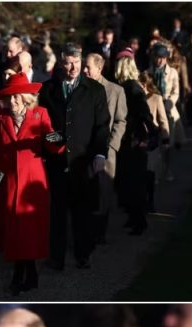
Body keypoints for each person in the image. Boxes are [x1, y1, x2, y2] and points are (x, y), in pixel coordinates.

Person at [0, 72, 63, 295]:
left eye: (18, 97)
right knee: (14, 229)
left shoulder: (40, 114)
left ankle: (23, 275)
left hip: (32, 182)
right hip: (9, 181)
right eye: (11, 97)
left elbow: (52, 143)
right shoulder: (0, 118)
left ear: (26, 97)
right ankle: (26, 273)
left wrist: (57, 140)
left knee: (29, 230)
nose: (14, 101)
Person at [39, 43, 110, 270]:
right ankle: (56, 257)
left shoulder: (95, 90)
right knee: (57, 212)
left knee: (83, 211)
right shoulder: (48, 90)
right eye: (68, 63)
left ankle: (83, 254)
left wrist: (99, 154)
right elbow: (41, 126)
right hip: (56, 161)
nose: (73, 68)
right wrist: (48, 143)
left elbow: (102, 126)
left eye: (77, 63)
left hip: (83, 160)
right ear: (61, 63)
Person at [83, 52, 127, 242]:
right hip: (85, 147)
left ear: (99, 68)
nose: (84, 70)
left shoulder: (116, 91)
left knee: (104, 190)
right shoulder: (81, 88)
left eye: (88, 67)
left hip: (107, 149)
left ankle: (100, 231)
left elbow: (121, 120)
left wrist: (112, 146)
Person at [114, 54, 157, 234]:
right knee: (128, 181)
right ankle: (134, 217)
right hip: (130, 139)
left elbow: (144, 113)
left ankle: (139, 221)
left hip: (133, 140)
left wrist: (152, 133)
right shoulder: (128, 87)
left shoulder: (132, 88)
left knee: (134, 181)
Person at [139, 71, 170, 212]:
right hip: (138, 140)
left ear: (144, 84)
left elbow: (163, 120)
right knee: (140, 173)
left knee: (150, 172)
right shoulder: (135, 98)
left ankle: (150, 201)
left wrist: (165, 139)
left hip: (152, 140)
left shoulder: (156, 99)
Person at [150, 44, 180, 180]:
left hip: (167, 109)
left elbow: (176, 91)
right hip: (154, 110)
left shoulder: (173, 72)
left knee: (167, 143)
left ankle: (167, 170)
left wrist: (169, 102)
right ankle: (154, 172)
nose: (160, 61)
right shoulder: (148, 72)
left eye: (163, 58)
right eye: (158, 57)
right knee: (154, 143)